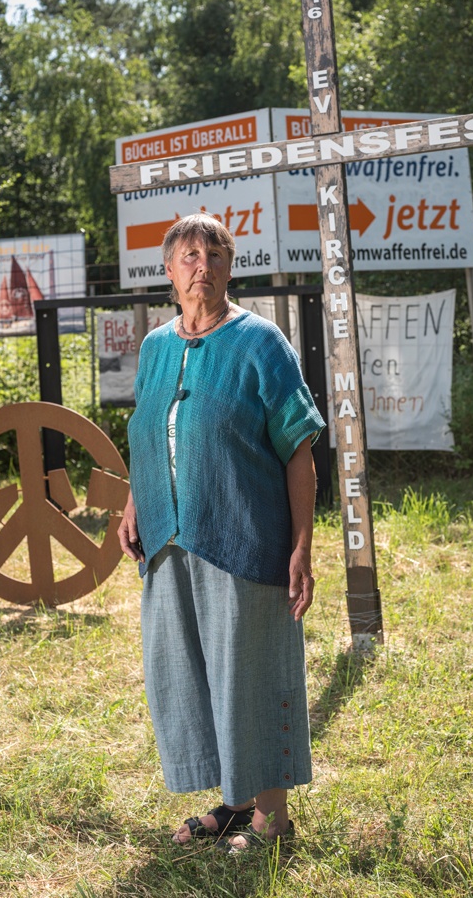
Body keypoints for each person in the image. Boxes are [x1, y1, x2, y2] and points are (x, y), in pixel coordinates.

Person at [118, 213, 325, 852]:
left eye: (211, 253)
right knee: (194, 672)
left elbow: (298, 449)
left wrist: (301, 545)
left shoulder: (261, 342)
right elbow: (154, 432)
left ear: (230, 267)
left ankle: (274, 817)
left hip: (244, 534)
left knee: (252, 671)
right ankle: (235, 804)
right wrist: (134, 502)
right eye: (186, 255)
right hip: (170, 538)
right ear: (169, 272)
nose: (199, 264)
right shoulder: (156, 347)